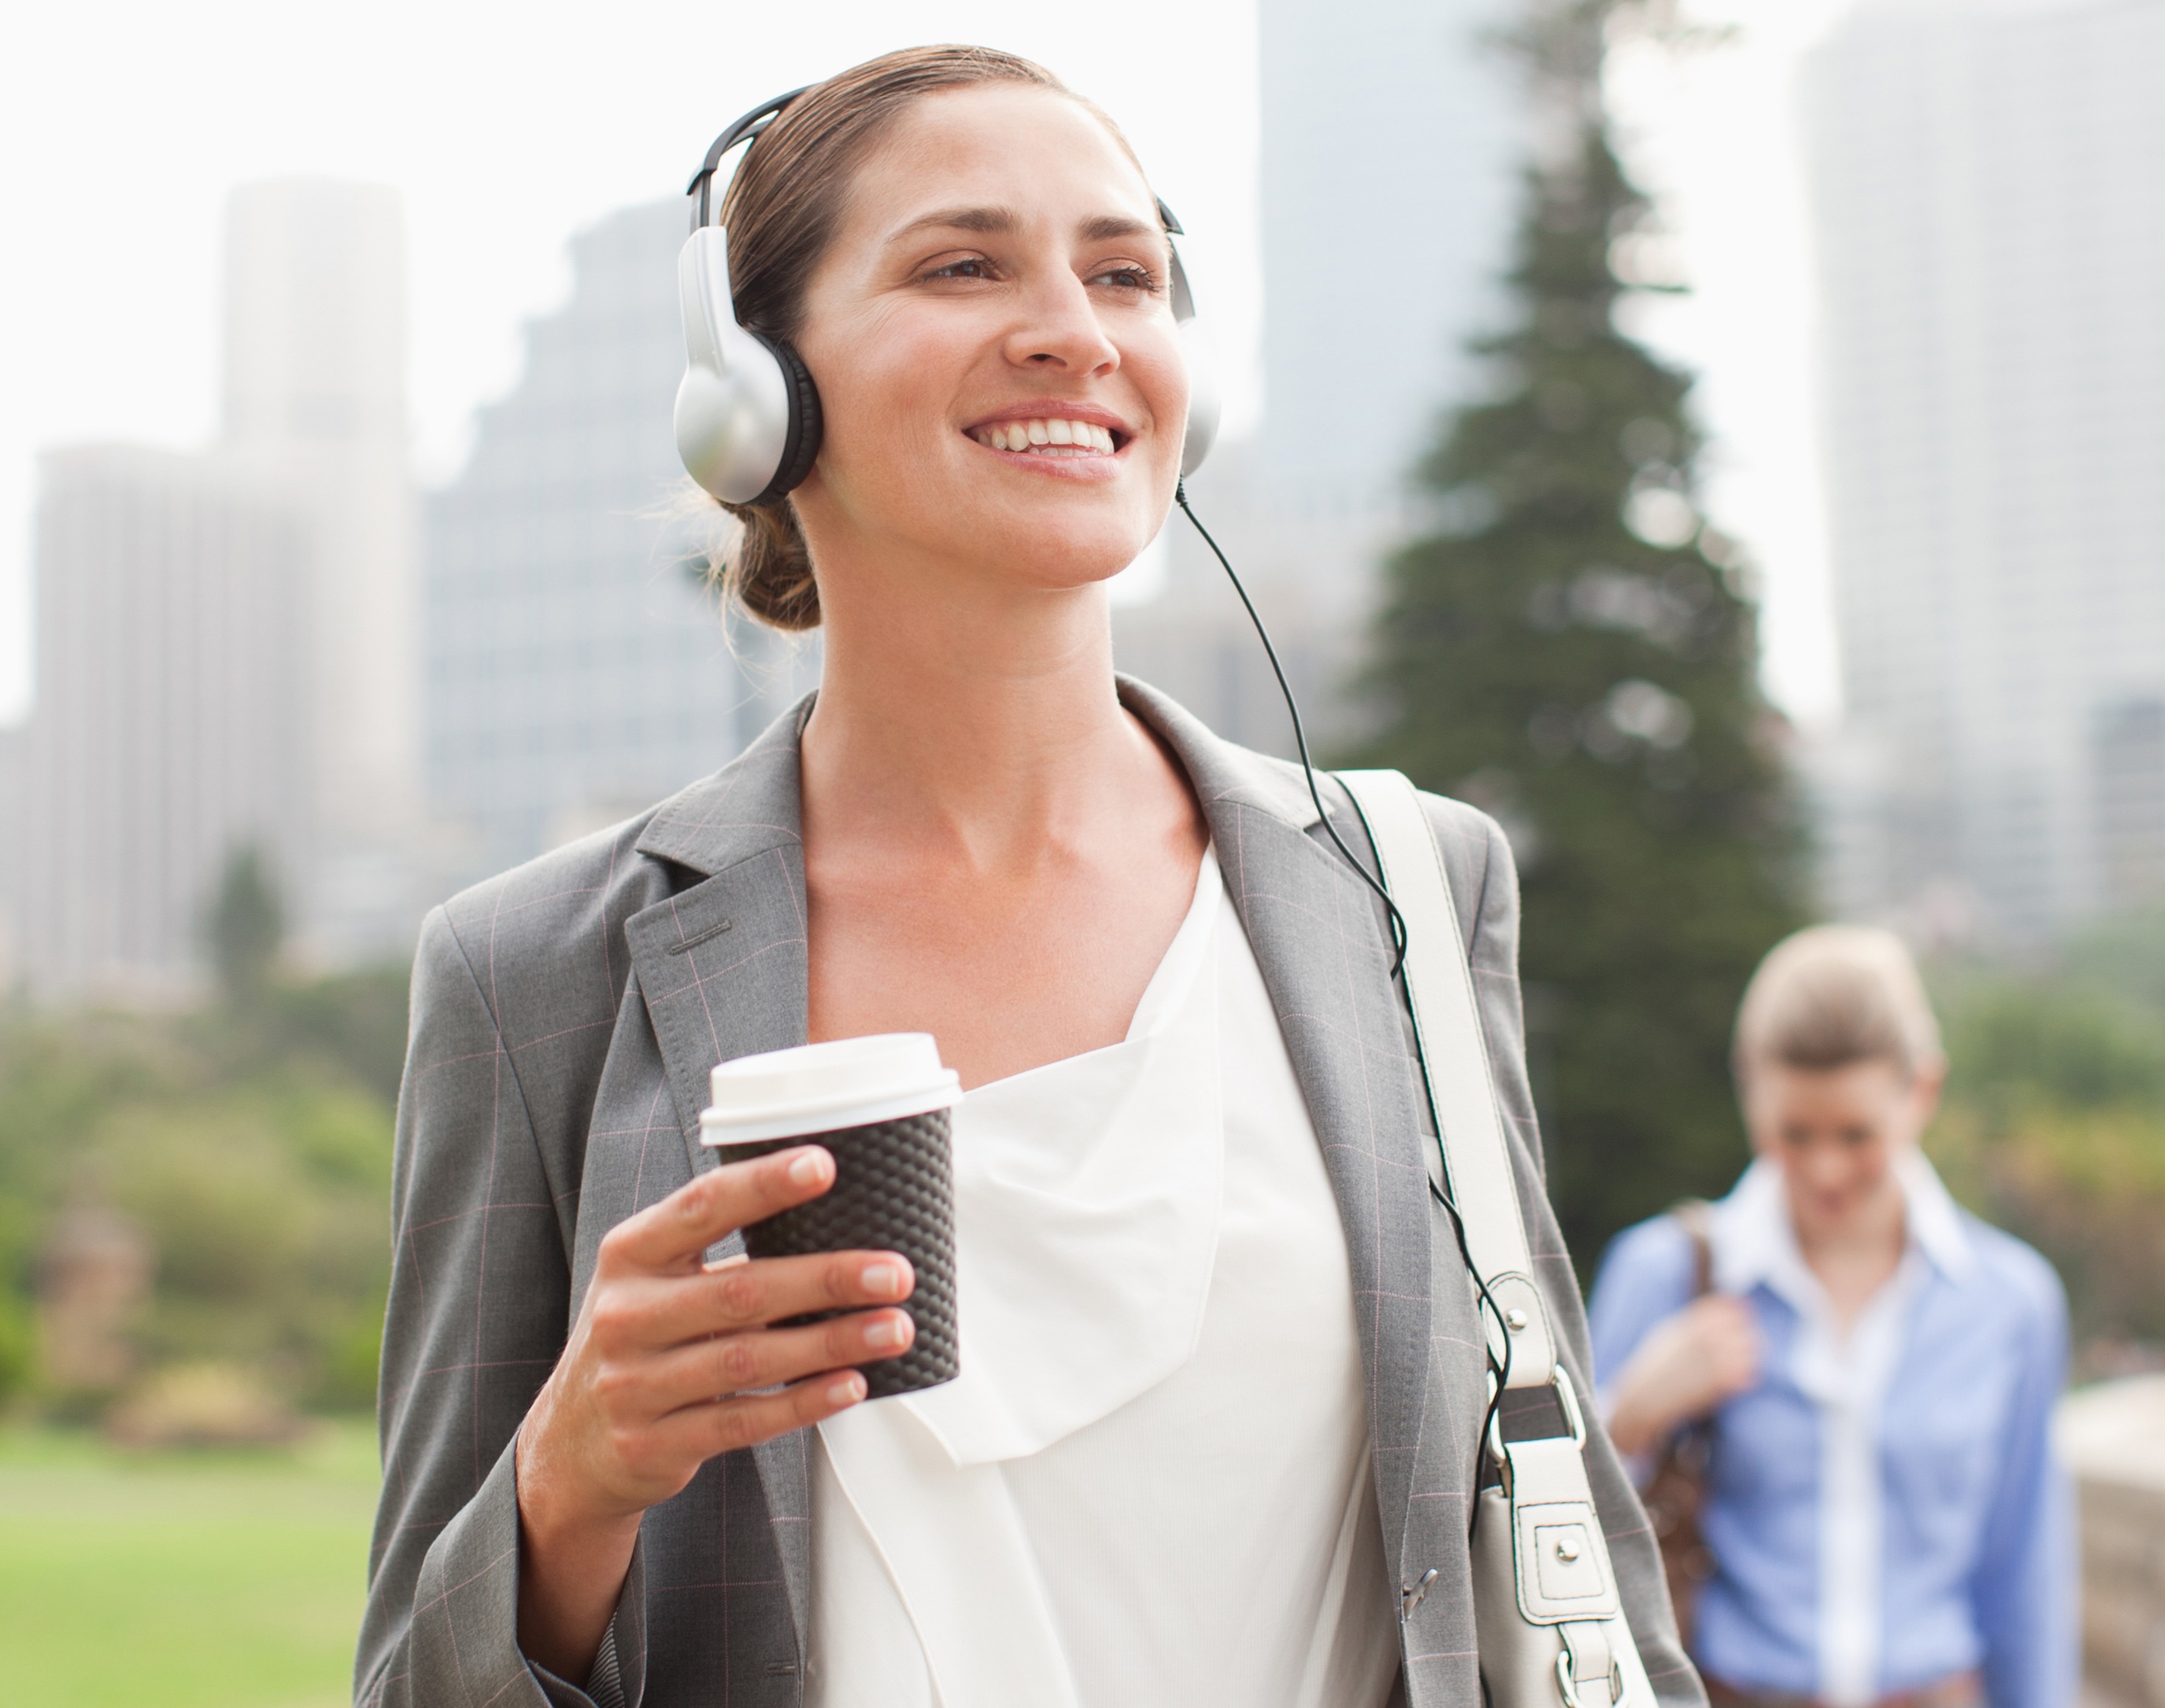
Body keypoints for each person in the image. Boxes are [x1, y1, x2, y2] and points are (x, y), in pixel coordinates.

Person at [352, 46, 1696, 1708]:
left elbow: (1585, 1586)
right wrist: (567, 1485)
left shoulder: (1406, 891)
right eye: (962, 262)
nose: (1074, 323)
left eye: (1124, 271)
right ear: (756, 386)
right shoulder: (537, 974)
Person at [1586, 928, 2074, 1708]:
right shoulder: (1665, 1273)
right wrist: (1630, 1414)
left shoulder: (2011, 1302)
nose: (1824, 1168)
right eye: (1793, 1133)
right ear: (1749, 1086)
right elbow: (1549, 1540)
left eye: (1856, 1134)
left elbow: (2025, 1572)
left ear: (1923, 1091)